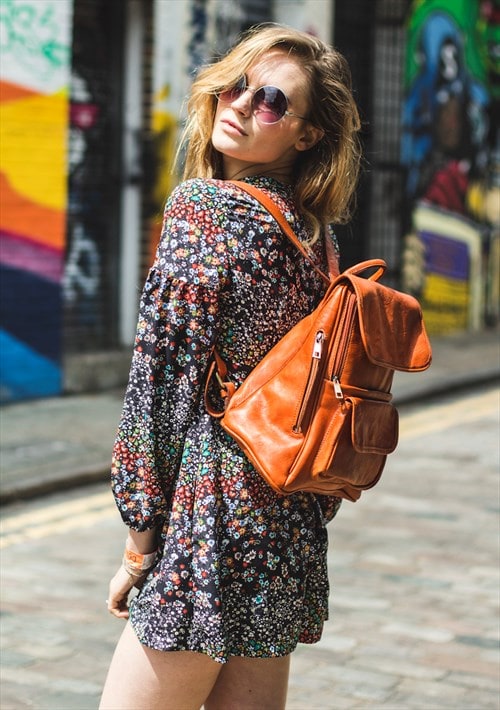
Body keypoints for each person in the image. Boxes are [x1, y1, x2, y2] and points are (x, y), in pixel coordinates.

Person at [99, 23, 361, 710]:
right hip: (285, 521)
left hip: (209, 517)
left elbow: (159, 383)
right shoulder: (315, 237)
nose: (240, 104)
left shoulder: (205, 210)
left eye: (270, 99)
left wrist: (138, 540)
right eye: (235, 85)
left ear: (306, 134)